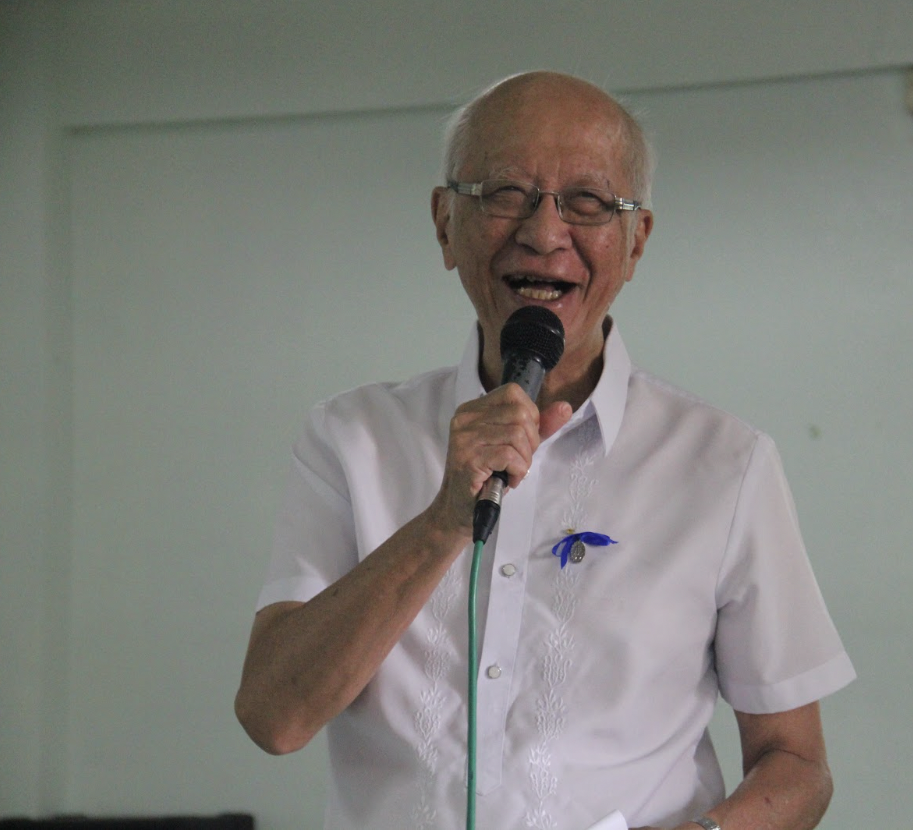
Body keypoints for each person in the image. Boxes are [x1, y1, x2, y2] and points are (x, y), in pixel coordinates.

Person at [235, 71, 855, 829]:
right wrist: (443, 521)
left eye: (588, 203)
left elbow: (797, 764)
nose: (543, 231)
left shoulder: (725, 463)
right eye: (503, 194)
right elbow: (275, 718)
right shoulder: (352, 438)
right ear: (443, 224)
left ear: (636, 243)